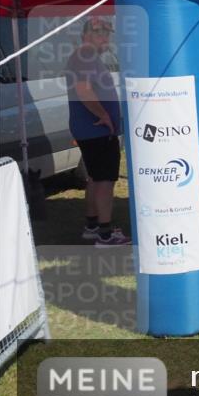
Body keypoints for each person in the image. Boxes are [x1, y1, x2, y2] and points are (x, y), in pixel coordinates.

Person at [65, 17, 131, 247]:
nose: (105, 37)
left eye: (107, 33)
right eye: (98, 32)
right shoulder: (84, 56)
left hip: (93, 131)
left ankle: (93, 226)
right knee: (105, 181)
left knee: (95, 178)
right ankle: (105, 234)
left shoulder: (87, 57)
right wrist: (103, 115)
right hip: (96, 131)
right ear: (85, 35)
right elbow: (83, 90)